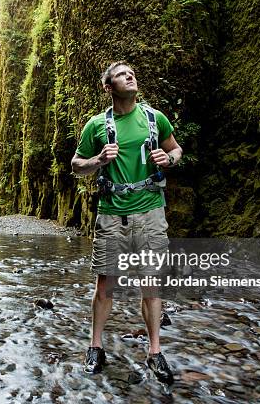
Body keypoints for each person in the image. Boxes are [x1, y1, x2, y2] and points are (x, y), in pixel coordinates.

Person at [71, 61, 182, 384]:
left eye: (132, 72)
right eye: (121, 74)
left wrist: (169, 159)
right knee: (105, 283)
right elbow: (77, 165)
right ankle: (96, 347)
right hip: (111, 213)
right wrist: (98, 160)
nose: (130, 76)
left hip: (151, 212)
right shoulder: (96, 126)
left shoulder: (154, 118)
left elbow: (176, 150)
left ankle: (155, 351)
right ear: (108, 87)